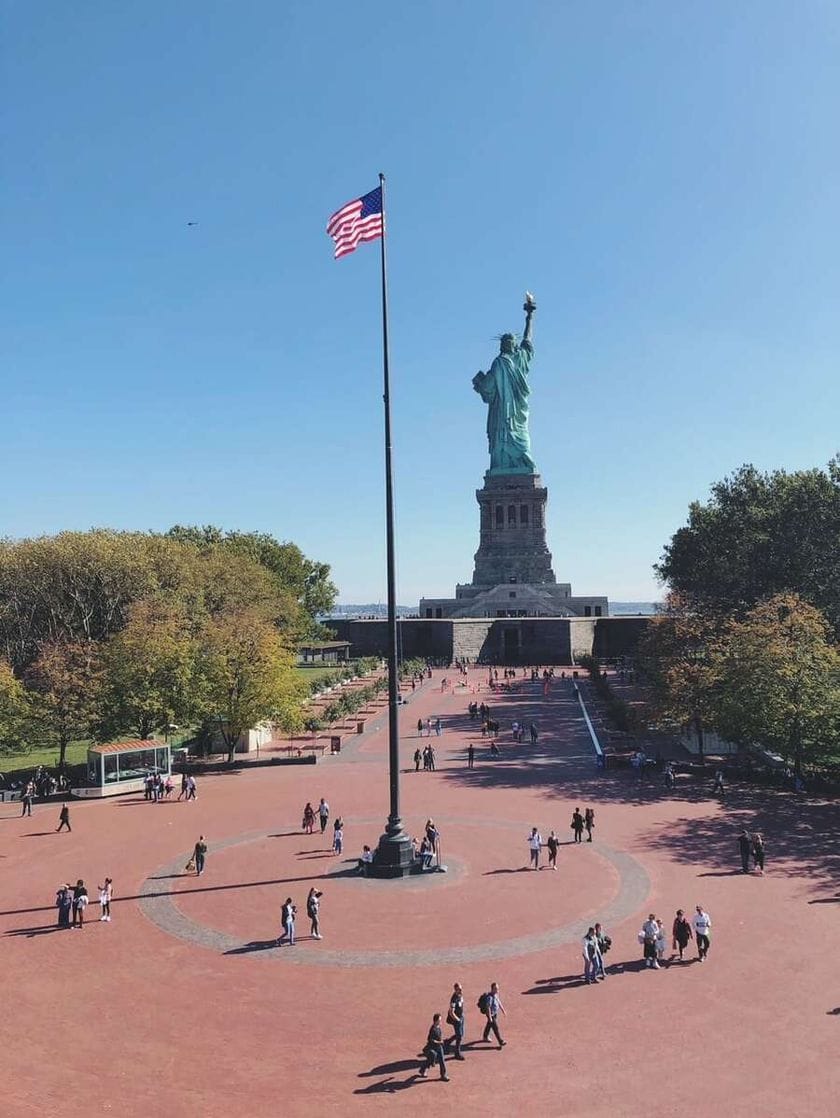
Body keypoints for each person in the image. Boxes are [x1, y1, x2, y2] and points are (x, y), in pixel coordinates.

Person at [419, 1013, 449, 1081]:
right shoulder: (432, 1029)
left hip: (439, 1047)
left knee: (442, 1061)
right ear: (435, 1021)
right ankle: (422, 1069)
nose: (441, 1021)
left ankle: (443, 1075)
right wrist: (439, 1042)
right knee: (430, 1060)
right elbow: (430, 1040)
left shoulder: (438, 1027)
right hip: (433, 1047)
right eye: (439, 1020)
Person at [481, 982, 507, 1048]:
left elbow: (499, 1002)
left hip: (494, 1014)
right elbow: (488, 1007)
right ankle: (500, 1041)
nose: (497, 990)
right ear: (492, 989)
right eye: (495, 989)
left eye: (498, 989)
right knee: (495, 1028)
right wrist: (490, 1017)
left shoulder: (495, 995)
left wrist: (503, 1010)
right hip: (491, 1014)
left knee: (489, 1025)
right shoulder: (489, 997)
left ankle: (485, 1036)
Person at [446, 983, 466, 1060]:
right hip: (456, 1019)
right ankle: (457, 1053)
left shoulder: (460, 996)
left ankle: (448, 1042)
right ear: (455, 989)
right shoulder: (454, 999)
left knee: (461, 1034)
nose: (461, 990)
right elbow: (451, 1012)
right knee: (459, 1036)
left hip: (461, 1017)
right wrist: (457, 1020)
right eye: (459, 989)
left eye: (461, 988)